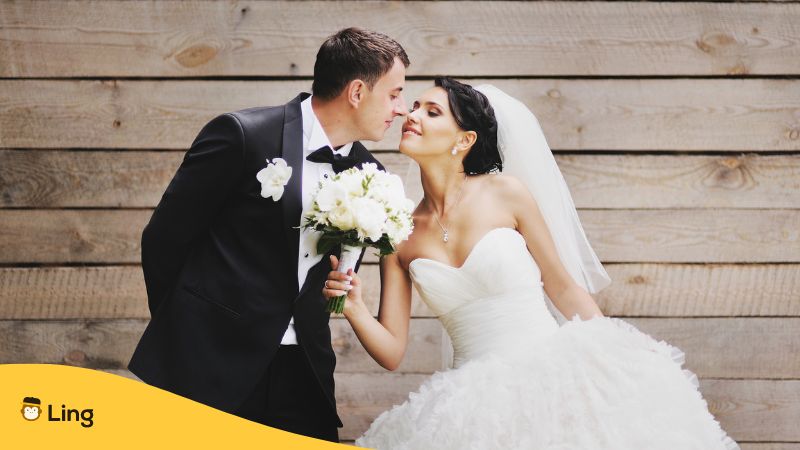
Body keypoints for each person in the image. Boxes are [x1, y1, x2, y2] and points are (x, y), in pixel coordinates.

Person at [323, 77, 740, 449]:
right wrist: (356, 308)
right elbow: (392, 351)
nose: (411, 115)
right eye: (413, 107)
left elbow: (560, 285)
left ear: (464, 140)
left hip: (554, 376)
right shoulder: (399, 232)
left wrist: (610, 349)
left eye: (431, 112)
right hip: (471, 404)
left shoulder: (507, 193)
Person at [127, 27, 409, 442]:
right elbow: (163, 241)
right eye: (394, 93)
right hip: (210, 366)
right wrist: (190, 336)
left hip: (305, 374)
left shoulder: (372, 179)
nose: (401, 108)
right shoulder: (243, 135)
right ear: (355, 92)